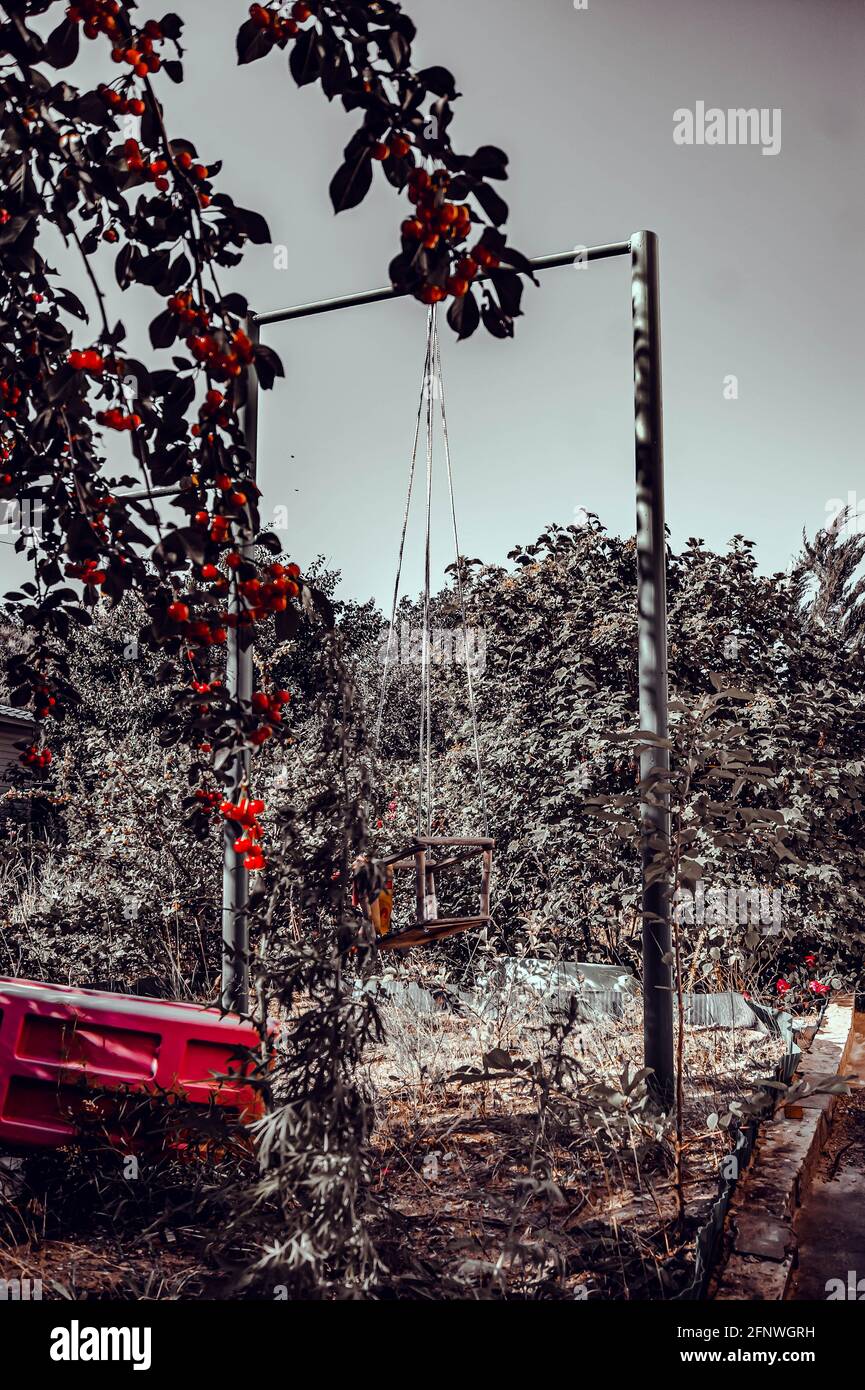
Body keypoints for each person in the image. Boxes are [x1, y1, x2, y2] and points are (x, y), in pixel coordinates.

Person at [351, 855, 394, 937]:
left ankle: (372, 938)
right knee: (369, 918)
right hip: (365, 895)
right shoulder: (358, 868)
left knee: (370, 919)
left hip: (370, 894)